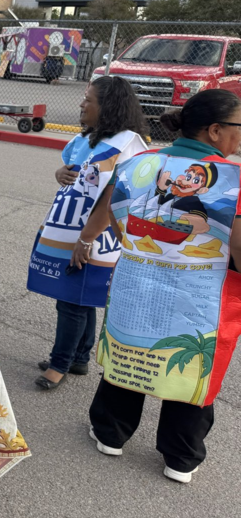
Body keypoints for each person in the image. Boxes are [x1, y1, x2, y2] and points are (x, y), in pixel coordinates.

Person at [79, 90, 241, 484]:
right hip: (202, 296)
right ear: (215, 131)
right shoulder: (234, 179)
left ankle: (110, 434)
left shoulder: (140, 162)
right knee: (189, 365)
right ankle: (180, 457)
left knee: (131, 347)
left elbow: (115, 220)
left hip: (139, 282)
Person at [28, 77, 148, 389]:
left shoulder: (126, 144)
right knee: (80, 297)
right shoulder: (89, 138)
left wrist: (85, 240)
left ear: (107, 107)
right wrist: (60, 173)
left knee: (72, 302)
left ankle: (59, 364)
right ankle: (80, 357)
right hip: (70, 228)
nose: (82, 105)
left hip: (94, 235)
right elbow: (74, 171)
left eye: (88, 100)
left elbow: (113, 198)